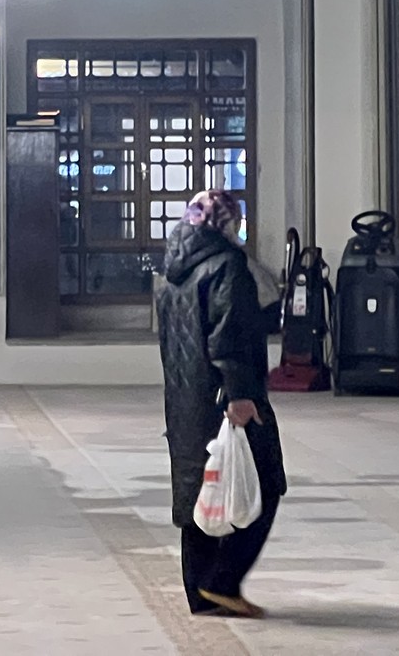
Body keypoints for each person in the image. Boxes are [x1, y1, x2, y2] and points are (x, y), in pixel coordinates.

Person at [156, 189, 287, 619]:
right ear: (227, 223)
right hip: (224, 397)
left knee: (198, 492)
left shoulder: (172, 269)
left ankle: (201, 593)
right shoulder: (228, 265)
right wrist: (241, 395)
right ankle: (221, 583)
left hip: (185, 401)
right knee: (264, 485)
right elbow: (229, 337)